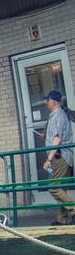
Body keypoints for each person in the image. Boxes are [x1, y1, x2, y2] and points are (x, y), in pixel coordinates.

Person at [41, 90, 74, 224]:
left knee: (53, 187)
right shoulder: (57, 115)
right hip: (62, 157)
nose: (46, 103)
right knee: (61, 188)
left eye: (47, 100)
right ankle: (62, 219)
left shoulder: (57, 116)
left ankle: (73, 209)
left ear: (53, 102)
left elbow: (57, 139)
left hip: (59, 157)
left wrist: (49, 160)